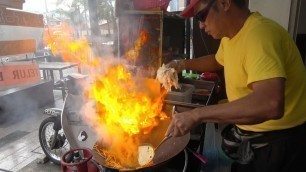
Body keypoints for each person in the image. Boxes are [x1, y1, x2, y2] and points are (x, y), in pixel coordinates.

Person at [165, 0, 306, 171]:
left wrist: (197, 115)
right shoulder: (231, 36)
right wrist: (181, 64)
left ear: (224, 3)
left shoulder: (260, 36)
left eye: (202, 16)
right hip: (254, 134)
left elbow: (270, 104)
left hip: (278, 142)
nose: (201, 25)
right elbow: (216, 61)